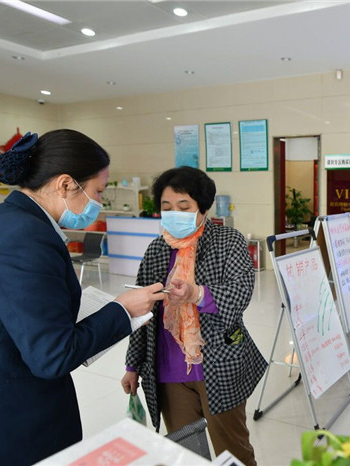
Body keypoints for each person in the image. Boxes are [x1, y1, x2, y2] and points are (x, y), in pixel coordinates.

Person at [0, 129, 165, 466]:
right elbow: (52, 355)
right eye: (98, 191)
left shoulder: (8, 220)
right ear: (66, 184)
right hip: (10, 420)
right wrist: (122, 310)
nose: (99, 203)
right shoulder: (25, 239)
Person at [121, 167, 267, 466]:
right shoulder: (157, 250)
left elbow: (240, 293)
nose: (174, 213)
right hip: (169, 370)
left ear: (203, 207)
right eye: (167, 207)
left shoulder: (228, 241)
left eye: (184, 206)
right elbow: (141, 311)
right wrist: (132, 365)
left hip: (219, 364)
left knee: (233, 450)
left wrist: (196, 293)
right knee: (185, 453)